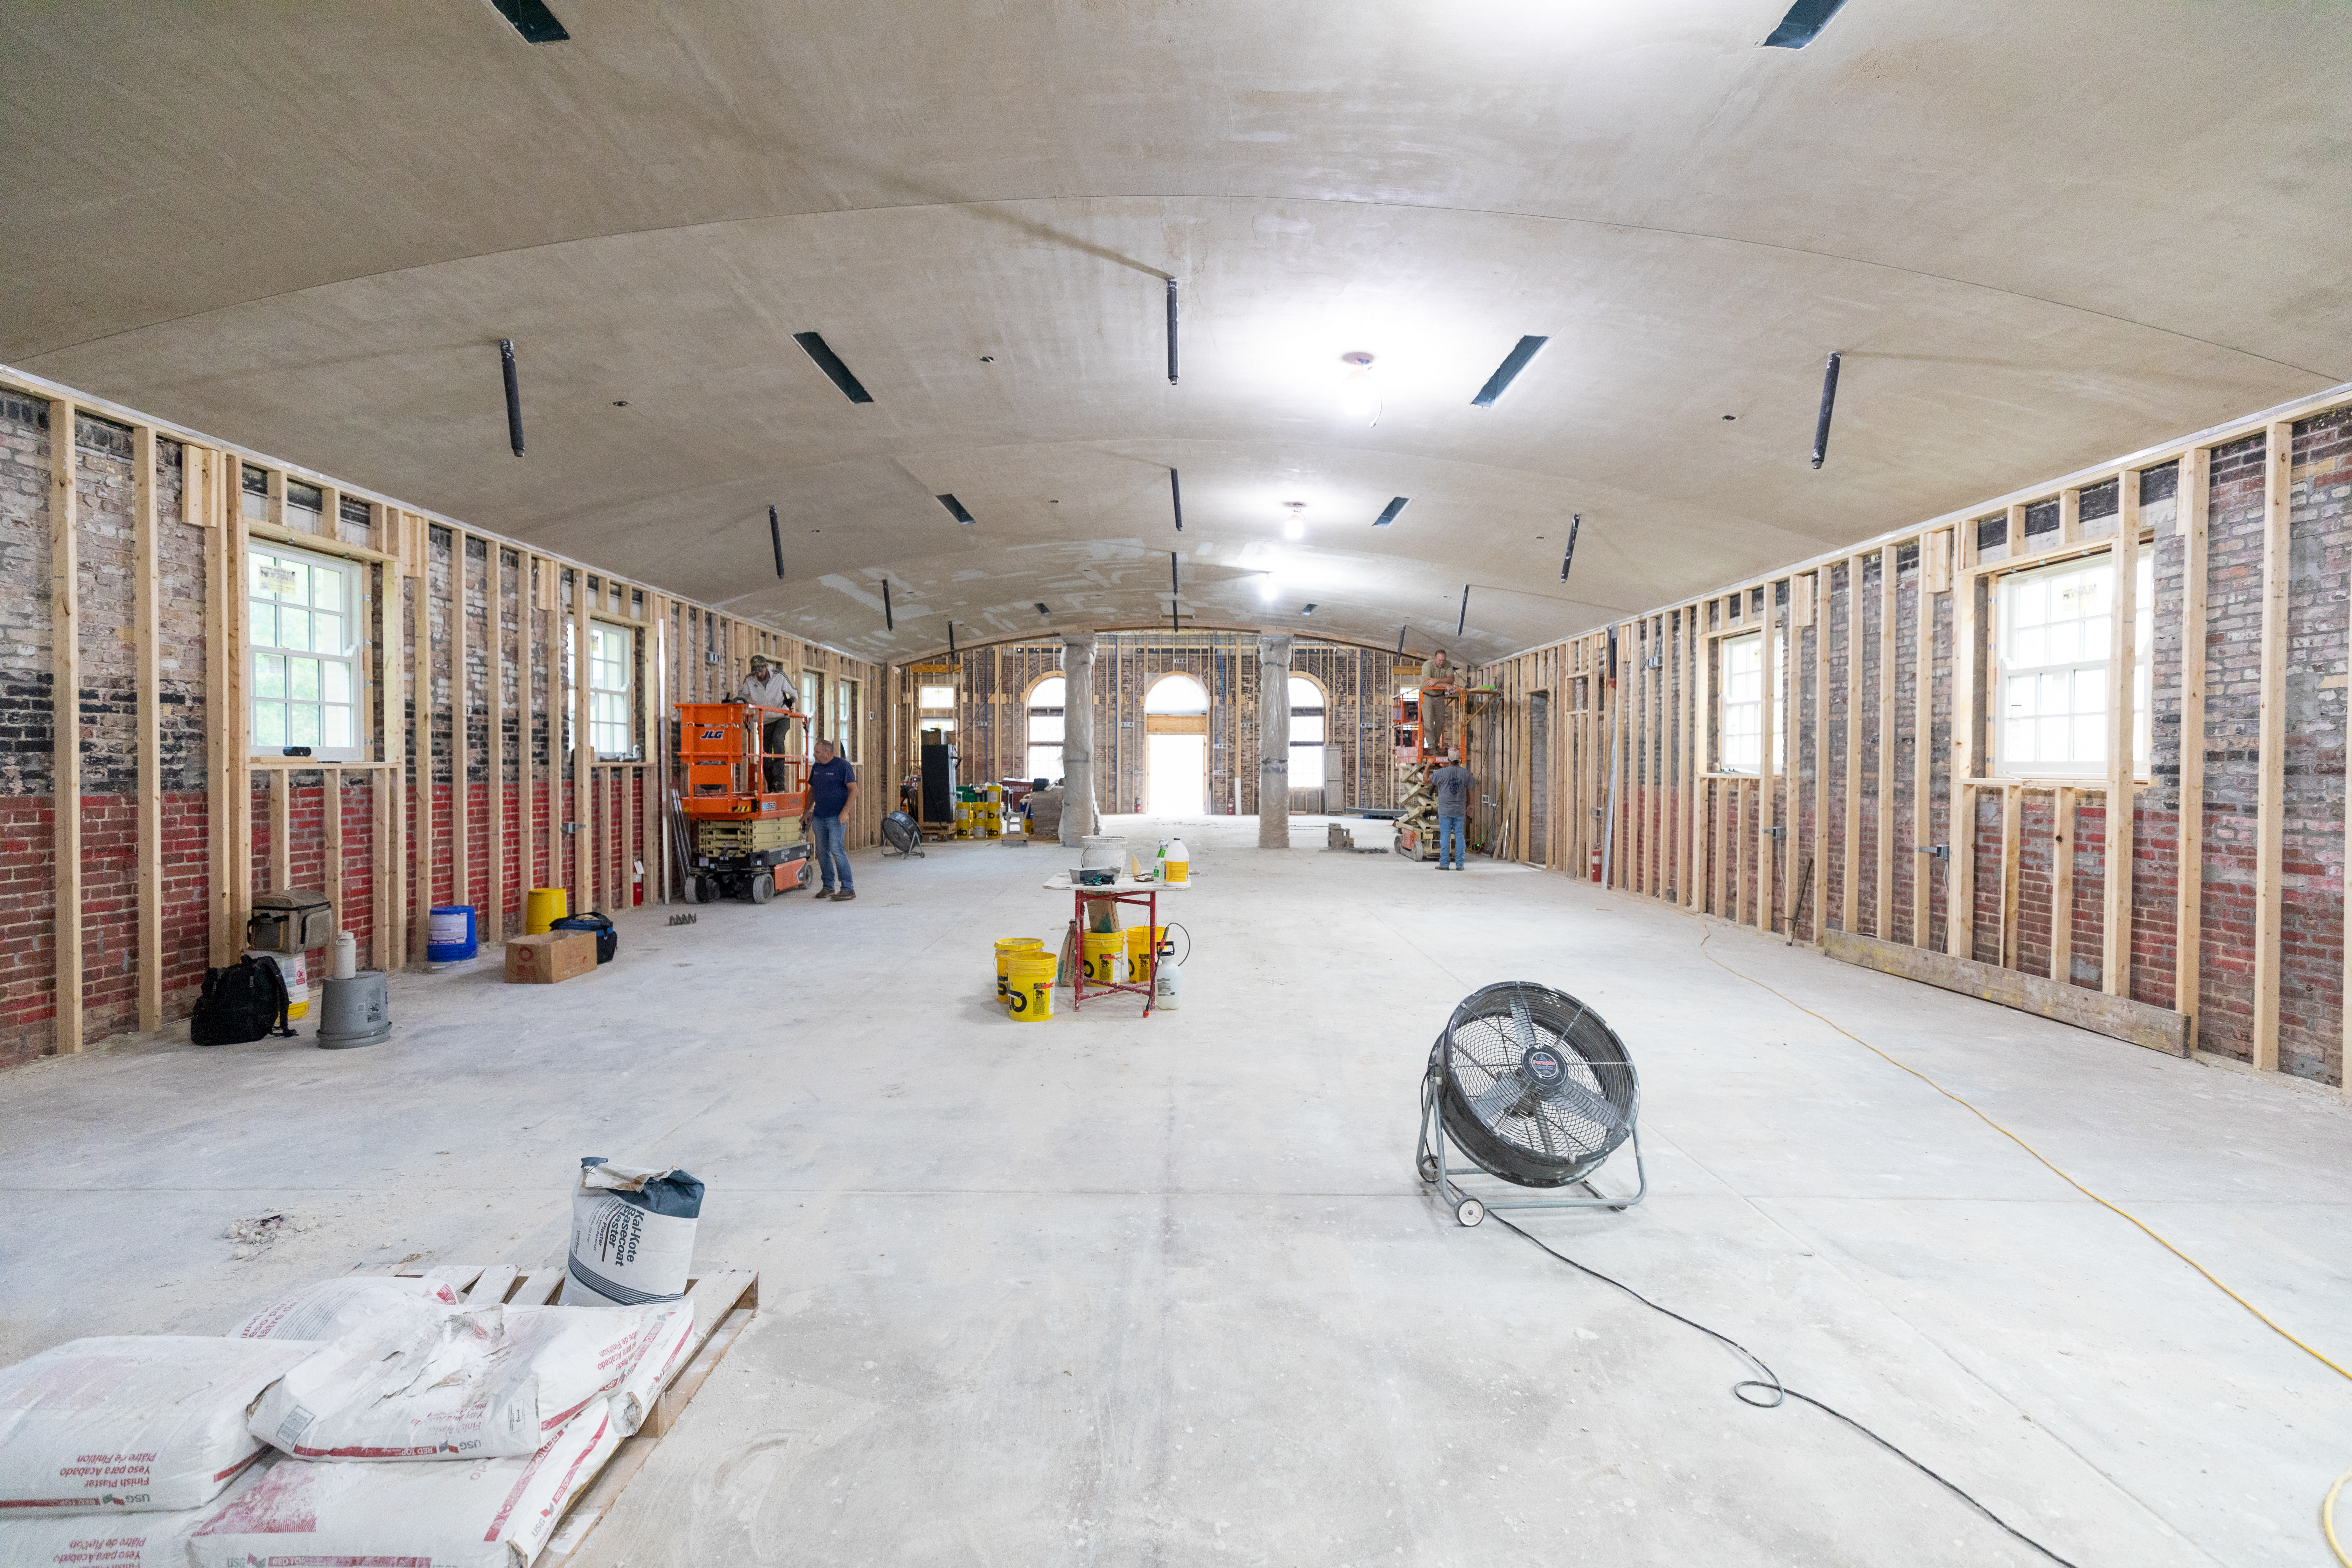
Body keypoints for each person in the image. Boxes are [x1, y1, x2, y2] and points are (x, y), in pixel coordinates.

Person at [802, 736, 859, 901]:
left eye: (817, 752)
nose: (814, 754)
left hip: (836, 818)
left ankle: (848, 888)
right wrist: (806, 812)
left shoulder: (843, 766)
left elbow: (854, 790)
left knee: (837, 850)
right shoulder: (817, 767)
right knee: (822, 852)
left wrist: (845, 812)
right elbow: (812, 791)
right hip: (819, 817)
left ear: (828, 753)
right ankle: (828, 886)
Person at [738, 656, 798, 791]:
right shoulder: (750, 680)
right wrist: (737, 702)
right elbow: (743, 696)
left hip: (781, 718)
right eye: (756, 672)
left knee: (778, 740)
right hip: (764, 721)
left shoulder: (779, 676)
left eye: (761, 671)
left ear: (766, 667)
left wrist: (792, 700)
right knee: (764, 753)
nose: (759, 675)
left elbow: (794, 692)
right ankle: (773, 786)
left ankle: (779, 780)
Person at [1428, 750, 1474, 871]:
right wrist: (1471, 805)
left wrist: (1428, 765)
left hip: (1445, 812)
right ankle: (1460, 865)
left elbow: (1425, 781)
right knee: (1459, 836)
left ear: (1448, 760)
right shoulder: (1466, 774)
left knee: (1445, 837)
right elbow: (1472, 790)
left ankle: (1444, 864)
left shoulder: (1441, 773)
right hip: (1459, 811)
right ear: (1460, 761)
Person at [1419, 649, 1460, 756]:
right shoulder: (1427, 666)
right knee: (1429, 723)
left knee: (1440, 723)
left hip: (1439, 696)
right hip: (1427, 696)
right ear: (1435, 658)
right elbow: (1428, 684)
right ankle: (1432, 748)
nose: (1442, 663)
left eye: (1444, 661)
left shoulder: (1448, 665)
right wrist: (1445, 686)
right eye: (1440, 661)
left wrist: (1437, 681)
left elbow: (1451, 679)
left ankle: (1435, 745)